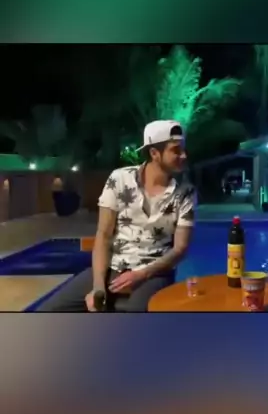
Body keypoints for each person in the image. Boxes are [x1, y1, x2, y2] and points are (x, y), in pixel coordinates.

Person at [38, 120, 196, 312]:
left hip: (154, 274)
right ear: (155, 153)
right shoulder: (120, 179)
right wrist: (98, 287)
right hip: (112, 268)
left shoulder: (185, 192)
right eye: (176, 150)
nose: (184, 155)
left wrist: (142, 274)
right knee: (47, 311)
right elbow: (103, 235)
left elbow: (180, 249)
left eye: (183, 149)